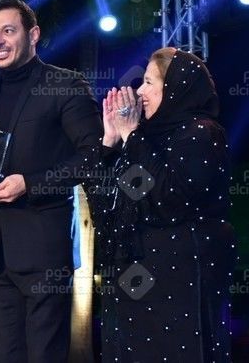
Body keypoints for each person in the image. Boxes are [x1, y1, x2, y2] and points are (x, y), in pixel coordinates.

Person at [0, 0, 103, 362]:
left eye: (8, 31)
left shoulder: (65, 84)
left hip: (45, 253)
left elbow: (93, 156)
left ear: (33, 34)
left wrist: (30, 184)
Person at [86, 47, 235, 361]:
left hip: (177, 287)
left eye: (149, 82)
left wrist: (131, 135)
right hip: (132, 285)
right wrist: (110, 142)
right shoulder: (142, 139)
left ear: (176, 87)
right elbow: (105, 211)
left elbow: (169, 199)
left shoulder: (201, 134)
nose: (139, 91)